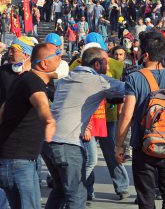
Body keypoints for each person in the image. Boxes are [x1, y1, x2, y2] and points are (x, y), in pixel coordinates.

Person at [115, 30, 165, 209]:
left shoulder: (134, 78)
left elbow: (127, 115)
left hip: (143, 145)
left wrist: (119, 145)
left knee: (146, 196)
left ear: (146, 54)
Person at [42, 47, 126, 208]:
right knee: (77, 194)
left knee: (60, 190)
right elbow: (130, 88)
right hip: (67, 144)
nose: (108, 67)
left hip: (47, 142)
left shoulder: (67, 78)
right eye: (105, 62)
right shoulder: (98, 81)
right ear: (96, 64)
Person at [0, 43, 61, 209]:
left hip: (16, 160)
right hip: (17, 162)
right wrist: (49, 120)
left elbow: (3, 111)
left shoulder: (24, 80)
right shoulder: (32, 81)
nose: (61, 61)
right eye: (58, 57)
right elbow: (40, 101)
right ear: (44, 64)